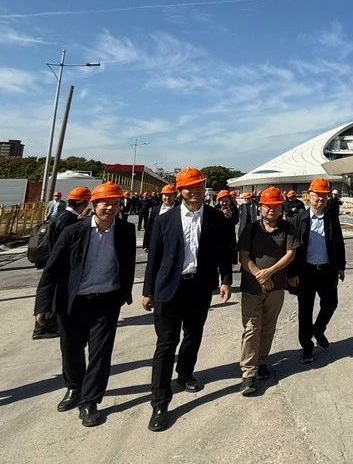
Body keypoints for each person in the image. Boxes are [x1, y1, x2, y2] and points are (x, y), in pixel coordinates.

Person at [33, 182, 136, 427]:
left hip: (107, 301)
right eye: (105, 203)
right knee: (71, 349)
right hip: (73, 302)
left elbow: (128, 263)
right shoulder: (74, 232)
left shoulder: (125, 230)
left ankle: (90, 401)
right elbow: (52, 270)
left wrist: (125, 292)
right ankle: (74, 387)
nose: (110, 208)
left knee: (101, 353)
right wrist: (42, 305)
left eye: (115, 203)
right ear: (94, 204)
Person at [142, 167, 234, 432]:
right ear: (179, 190)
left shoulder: (216, 218)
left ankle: (184, 374)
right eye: (189, 187)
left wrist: (226, 280)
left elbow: (224, 252)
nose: (194, 192)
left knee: (193, 335)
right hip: (168, 289)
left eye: (198, 187)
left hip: (199, 287)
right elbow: (154, 259)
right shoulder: (164, 220)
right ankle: (160, 403)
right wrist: (148, 291)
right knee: (166, 344)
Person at [237, 186, 298, 396]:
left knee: (268, 326)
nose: (271, 210)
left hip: (276, 286)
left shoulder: (288, 228)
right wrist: (259, 275)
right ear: (260, 207)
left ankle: (262, 361)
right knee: (252, 328)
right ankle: (248, 372)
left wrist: (270, 272)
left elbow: (290, 253)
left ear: (281, 207)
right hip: (252, 287)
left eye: (276, 206)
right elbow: (244, 256)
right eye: (267, 206)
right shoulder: (251, 229)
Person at [289, 178, 346, 363]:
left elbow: (339, 243)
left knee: (331, 304)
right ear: (309, 196)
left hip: (327, 271)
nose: (320, 199)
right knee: (305, 311)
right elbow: (292, 249)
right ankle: (307, 347)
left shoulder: (332, 218)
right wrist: (292, 273)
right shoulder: (299, 219)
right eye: (317, 195)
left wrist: (341, 266)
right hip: (305, 272)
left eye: (324, 195)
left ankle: (318, 330)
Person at [32, 186, 92, 339]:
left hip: (57, 260)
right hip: (60, 262)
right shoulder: (68, 218)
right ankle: (43, 327)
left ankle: (48, 324)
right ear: (83, 203)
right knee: (54, 294)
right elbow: (65, 243)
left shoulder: (65, 215)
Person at [142, 184, 177, 251]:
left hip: (172, 245)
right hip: (156, 243)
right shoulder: (155, 209)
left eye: (170, 195)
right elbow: (149, 227)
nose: (167, 198)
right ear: (162, 196)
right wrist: (146, 244)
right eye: (165, 195)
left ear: (175, 196)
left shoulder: (179, 209)